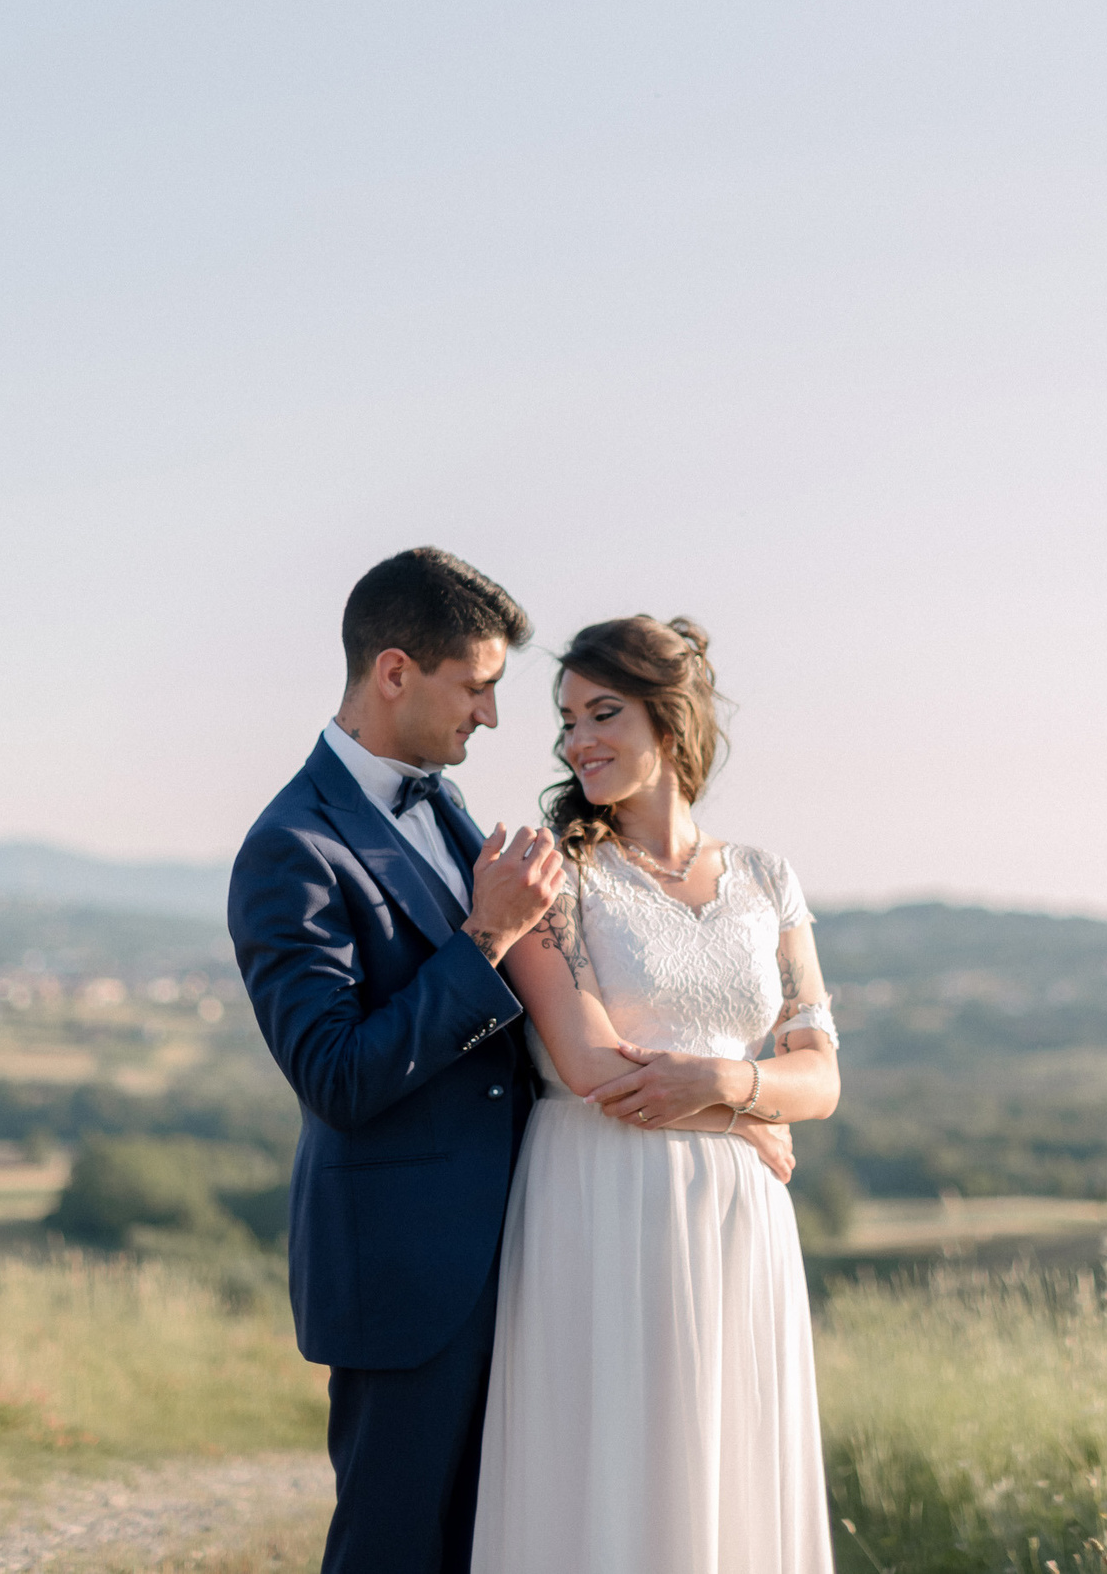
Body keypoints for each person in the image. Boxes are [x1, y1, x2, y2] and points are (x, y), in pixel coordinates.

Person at [471, 614, 842, 1574]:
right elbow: (593, 1065)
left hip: (739, 1220)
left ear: (670, 723)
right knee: (612, 1478)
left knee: (730, 1475)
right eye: (567, 720)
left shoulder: (768, 878)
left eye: (603, 713)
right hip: (601, 1197)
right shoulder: (557, 874)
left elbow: (823, 1076)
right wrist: (747, 1113)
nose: (576, 740)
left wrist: (735, 1083)